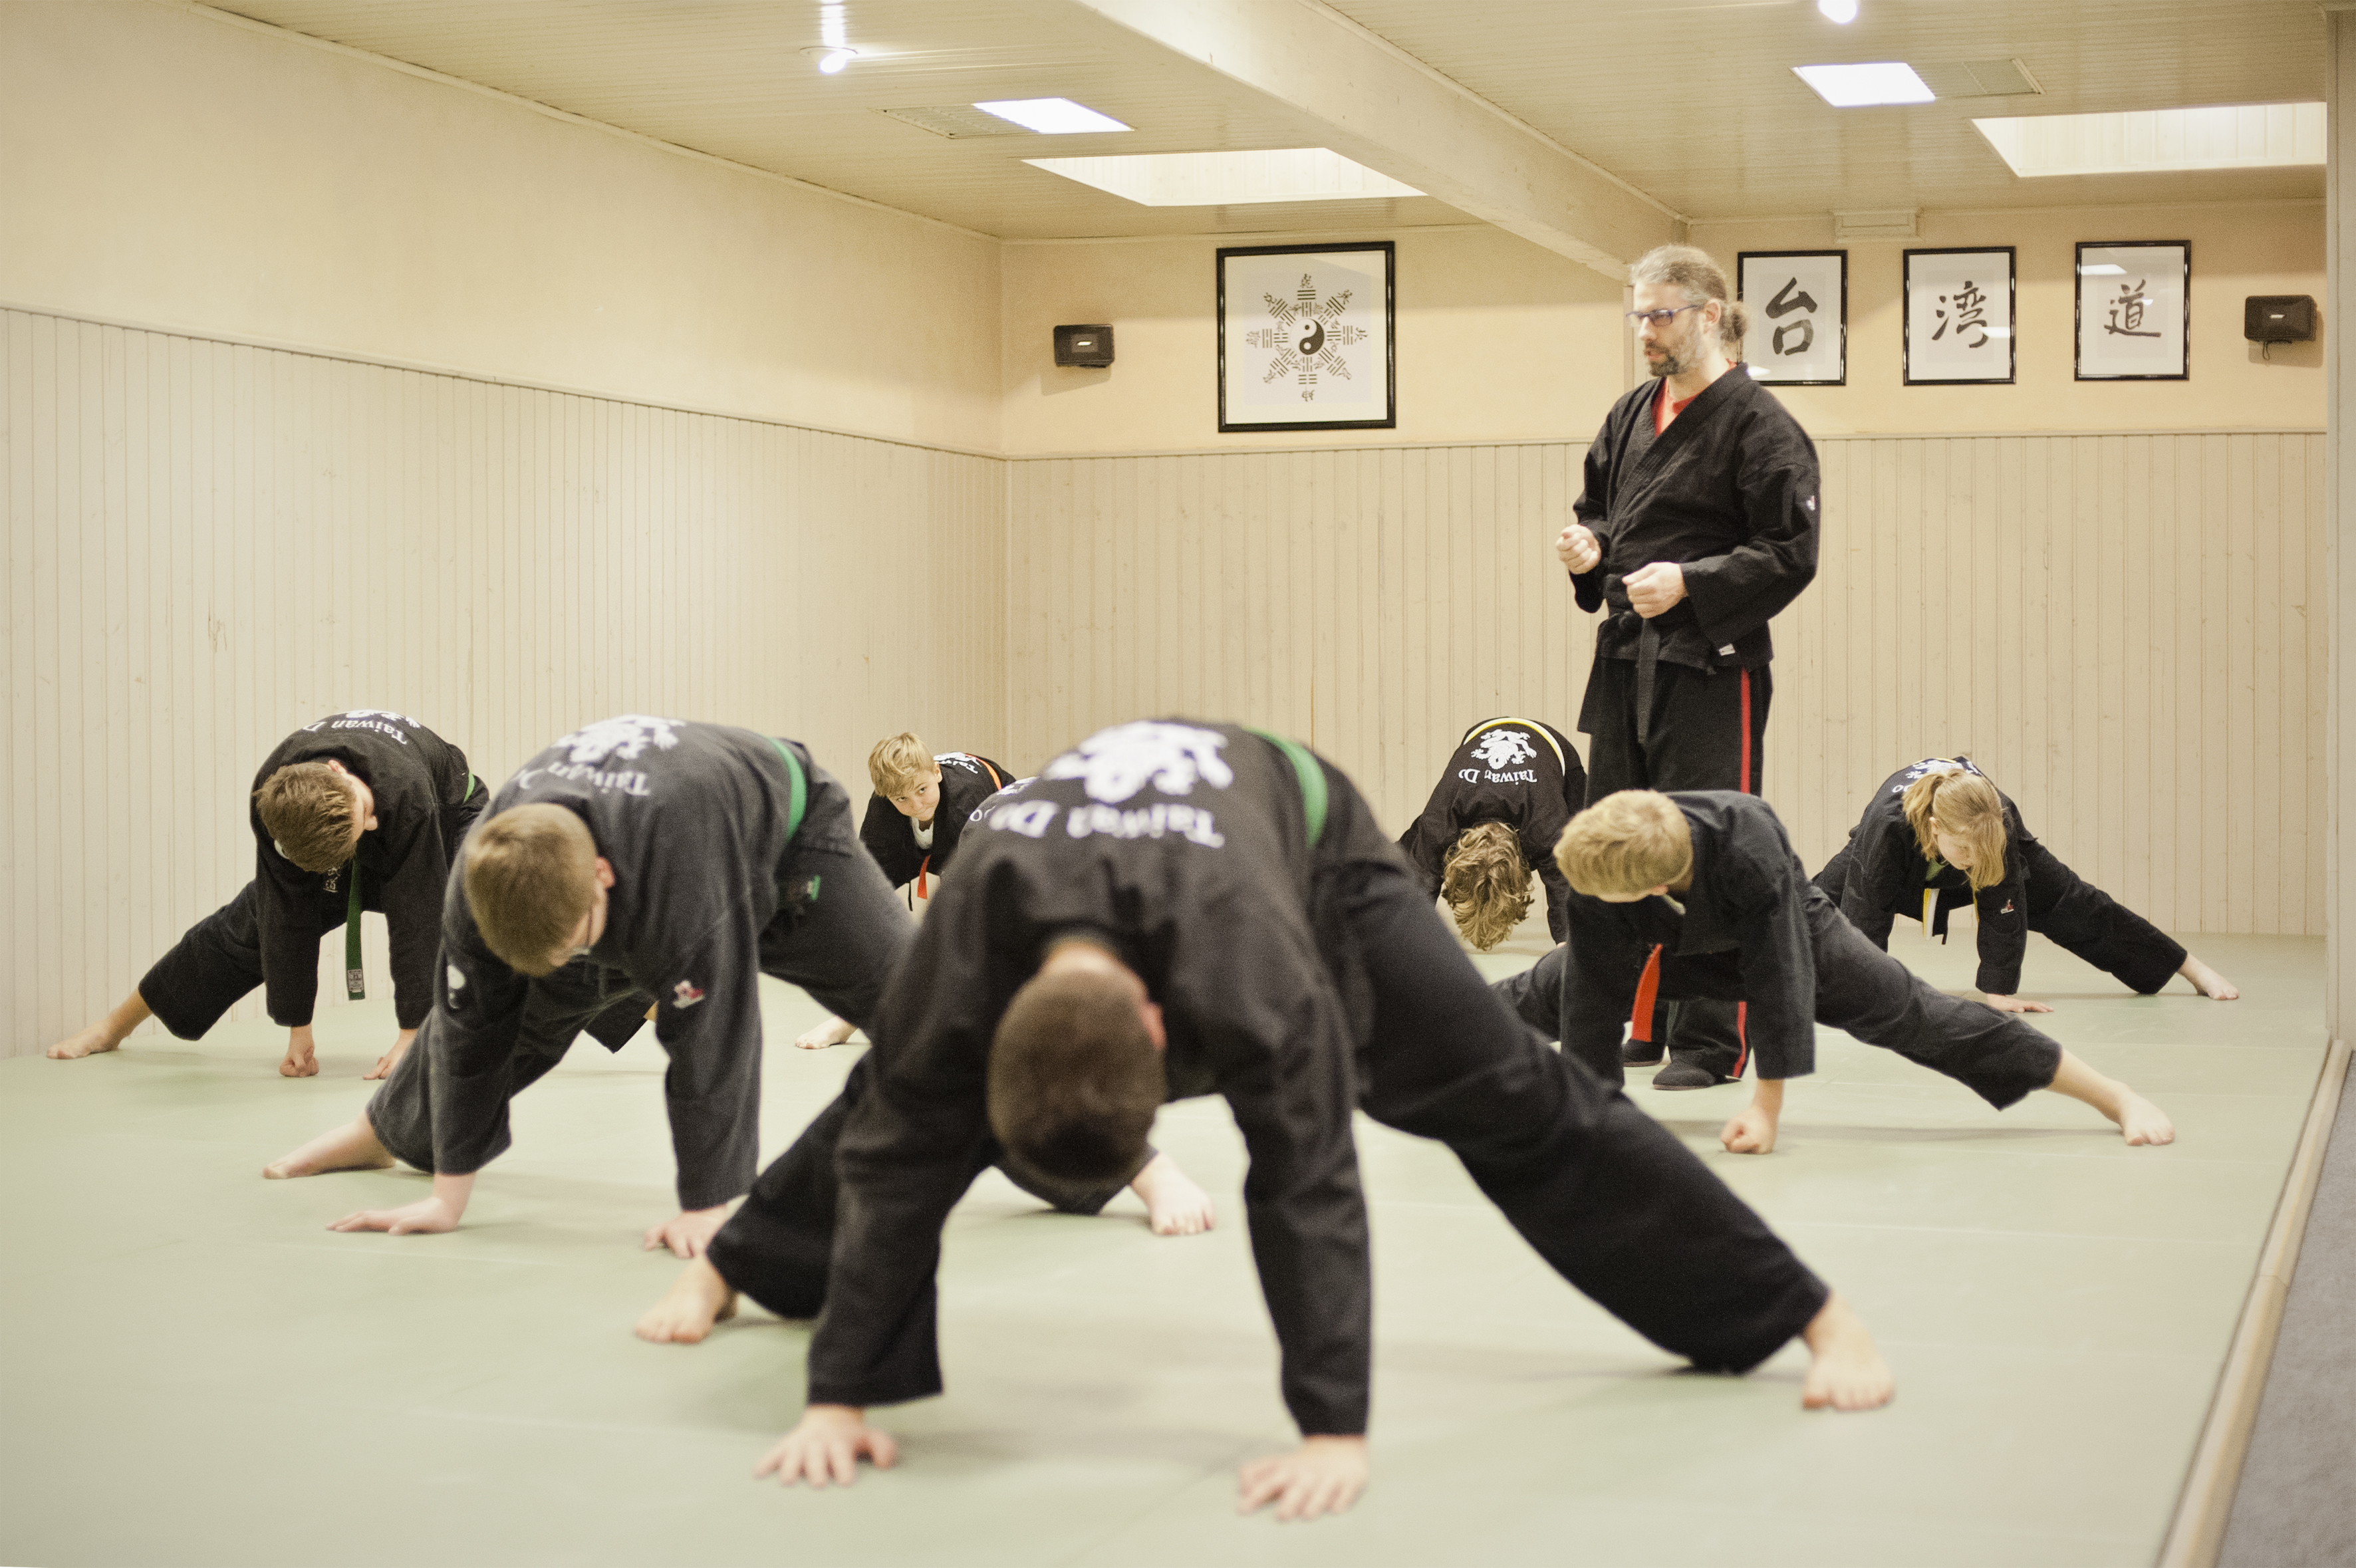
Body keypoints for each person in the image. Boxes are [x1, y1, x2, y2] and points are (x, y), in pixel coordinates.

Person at [702, 719, 1891, 1523]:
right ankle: (740, 1261)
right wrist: (836, 1394)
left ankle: (1810, 1309)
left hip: (1306, 846)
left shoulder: (1250, 976)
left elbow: (1305, 1173)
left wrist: (1332, 1427)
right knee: (898, 1095)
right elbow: (898, 1141)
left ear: (1173, 1038)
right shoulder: (953, 959)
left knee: (1514, 1097)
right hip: (1123, 844)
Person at [259, 716, 916, 1259]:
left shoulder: (672, 888)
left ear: (604, 876)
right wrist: (446, 1199)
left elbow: (714, 1039)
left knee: (920, 1011)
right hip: (627, 854)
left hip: (787, 832)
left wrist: (704, 1209)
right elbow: (469, 1031)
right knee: (517, 1010)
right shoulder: (479, 882)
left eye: (579, 939)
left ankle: (1020, 1133)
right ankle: (385, 1132)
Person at [1502, 789, 2176, 1158]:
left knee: (1924, 1016)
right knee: (1539, 991)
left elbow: (1778, 982)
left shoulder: (1746, 841)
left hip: (1797, 936)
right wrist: (1597, 1120)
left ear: (1650, 885)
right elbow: (1589, 1001)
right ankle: (1407, 1042)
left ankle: (2112, 1095)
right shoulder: (1604, 858)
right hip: (1658, 940)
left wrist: (1766, 1111)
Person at [1555, 244, 1818, 1091]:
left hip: (1713, 664)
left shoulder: (1763, 426)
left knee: (1709, 845)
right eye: (1638, 316)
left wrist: (1694, 583)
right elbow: (1598, 510)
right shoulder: (1631, 412)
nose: (1646, 333)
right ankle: (1643, 1019)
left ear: (1711, 314)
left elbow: (1790, 550)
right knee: (1619, 843)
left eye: (1660, 315)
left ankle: (1713, 1037)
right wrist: (1588, 554)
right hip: (1630, 655)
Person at [46, 709, 483, 1080]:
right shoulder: (276, 796)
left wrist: (411, 1034)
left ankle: (525, 1022)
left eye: (367, 818)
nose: (371, 827)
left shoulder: (405, 793)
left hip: (444, 817)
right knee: (247, 926)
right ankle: (113, 1027)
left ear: (340, 773)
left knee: (472, 912)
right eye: (363, 824)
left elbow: (416, 918)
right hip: (336, 829)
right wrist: (299, 1028)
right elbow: (286, 914)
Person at [1814, 757, 2238, 1009]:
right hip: (1906, 857)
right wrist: (1867, 994)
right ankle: (1762, 970)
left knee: (2075, 903)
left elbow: (2004, 904)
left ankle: (2187, 966)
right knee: (1813, 905)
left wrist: (1997, 990)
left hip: (1978, 836)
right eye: (1964, 854)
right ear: (1936, 826)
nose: (1972, 865)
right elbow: (1865, 910)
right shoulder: (1889, 825)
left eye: (1981, 854)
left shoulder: (1995, 823)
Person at [795, 735, 1019, 1052]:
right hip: (929, 835)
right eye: (902, 799)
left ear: (937, 774)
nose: (916, 805)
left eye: (922, 790)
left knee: (974, 929)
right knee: (861, 917)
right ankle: (849, 1017)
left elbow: (967, 906)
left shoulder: (968, 805)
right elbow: (862, 895)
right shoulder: (885, 812)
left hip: (999, 828)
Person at [1394, 716, 1587, 948]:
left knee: (1583, 845)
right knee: (1422, 845)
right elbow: (1423, 876)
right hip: (1481, 737)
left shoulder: (1543, 828)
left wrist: (1567, 943)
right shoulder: (1440, 824)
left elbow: (1561, 882)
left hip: (1555, 748)